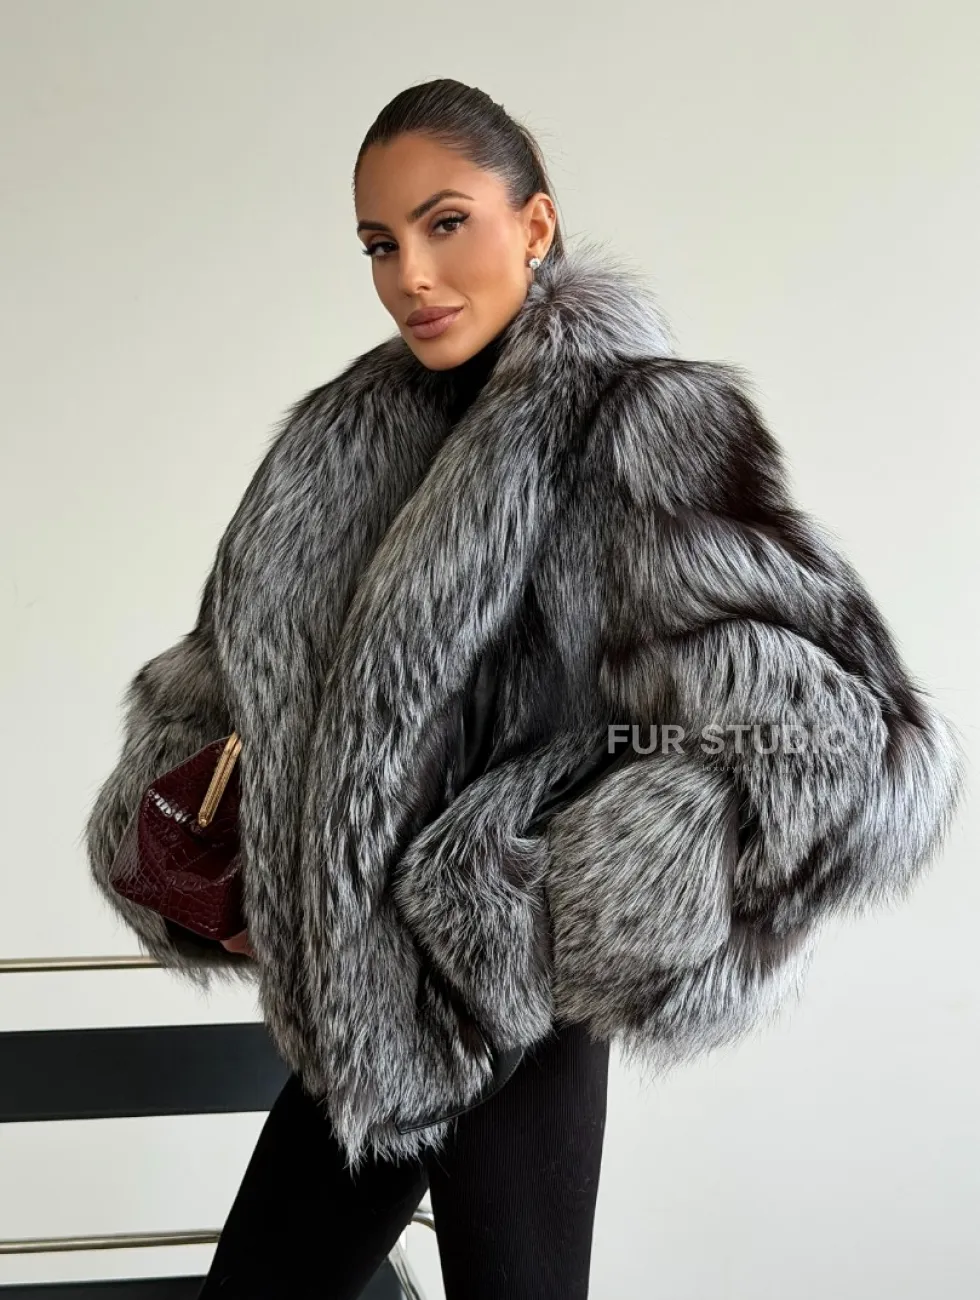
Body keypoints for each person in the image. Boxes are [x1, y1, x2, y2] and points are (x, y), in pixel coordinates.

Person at [83, 78, 964, 1299]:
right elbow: (226, 677)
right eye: (379, 244)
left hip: (517, 1014)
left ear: (534, 223)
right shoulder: (335, 443)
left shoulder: (641, 423)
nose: (410, 275)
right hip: (359, 1016)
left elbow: (834, 734)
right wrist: (234, 857)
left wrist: (530, 897)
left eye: (445, 223)